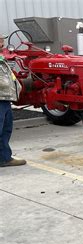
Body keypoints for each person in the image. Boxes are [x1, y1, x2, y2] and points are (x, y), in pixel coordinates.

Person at [0, 35, 26, 167]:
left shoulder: (1, 58)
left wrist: (17, 87)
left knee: (6, 129)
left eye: (2, 40)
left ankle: (4, 158)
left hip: (5, 98)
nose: (2, 43)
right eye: (0, 41)